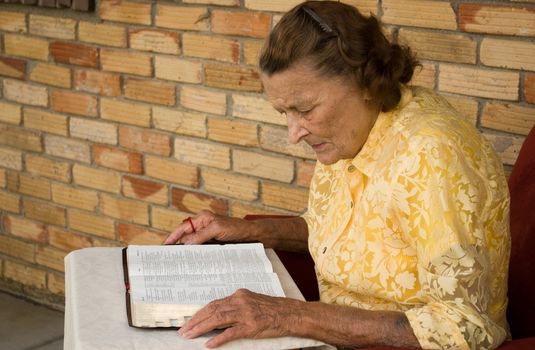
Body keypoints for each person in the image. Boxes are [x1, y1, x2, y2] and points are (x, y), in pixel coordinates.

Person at [165, 1, 511, 349]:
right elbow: (335, 233)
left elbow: (467, 327)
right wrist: (243, 230)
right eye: (284, 112)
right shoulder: (352, 131)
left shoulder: (431, 156)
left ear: (364, 81)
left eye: (304, 109)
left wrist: (292, 315)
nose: (293, 133)